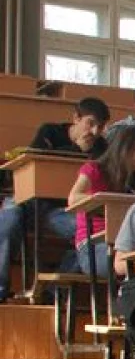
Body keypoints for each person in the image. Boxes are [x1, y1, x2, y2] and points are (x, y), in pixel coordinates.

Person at [0, 97, 111, 298]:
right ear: (76, 118)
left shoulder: (101, 147)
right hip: (27, 200)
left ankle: (53, 293)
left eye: (100, 127)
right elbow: (36, 159)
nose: (94, 131)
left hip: (60, 209)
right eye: (90, 123)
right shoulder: (50, 131)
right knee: (7, 221)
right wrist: (77, 150)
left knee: (89, 233)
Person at [65, 126, 135, 277]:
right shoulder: (94, 169)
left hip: (122, 242)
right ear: (122, 148)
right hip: (93, 246)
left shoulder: (129, 184)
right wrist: (109, 201)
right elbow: (73, 198)